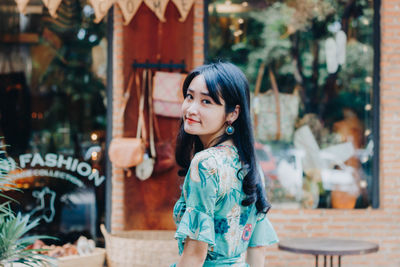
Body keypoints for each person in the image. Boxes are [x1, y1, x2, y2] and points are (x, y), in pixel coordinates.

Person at [171, 62, 278, 267]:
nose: (191, 109)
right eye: (190, 97)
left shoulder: (205, 164)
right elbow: (257, 249)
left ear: (232, 114)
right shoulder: (250, 164)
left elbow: (195, 255)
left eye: (206, 101)